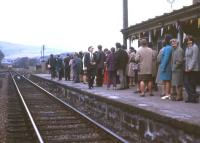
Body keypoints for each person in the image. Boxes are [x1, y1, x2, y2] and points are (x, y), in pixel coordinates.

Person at [184, 35, 199, 103]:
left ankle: (193, 98)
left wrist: (190, 68)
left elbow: (194, 59)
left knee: (192, 83)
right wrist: (186, 67)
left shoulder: (195, 47)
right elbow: (186, 58)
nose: (188, 41)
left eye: (189, 40)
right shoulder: (187, 47)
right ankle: (193, 95)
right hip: (187, 68)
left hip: (194, 68)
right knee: (186, 83)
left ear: (192, 40)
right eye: (187, 40)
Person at [159, 34, 173, 100]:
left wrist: (163, 67)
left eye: (164, 39)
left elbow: (166, 58)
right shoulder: (171, 47)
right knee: (167, 80)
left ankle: (167, 94)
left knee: (167, 80)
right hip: (169, 65)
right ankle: (167, 93)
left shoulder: (167, 48)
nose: (164, 40)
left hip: (166, 66)